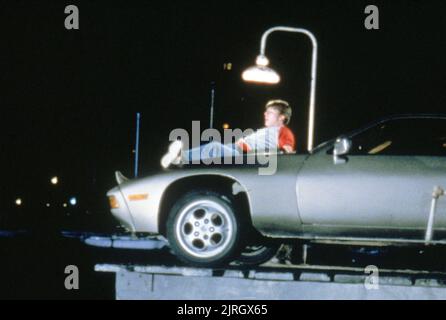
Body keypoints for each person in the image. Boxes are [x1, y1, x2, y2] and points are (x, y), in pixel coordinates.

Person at [161, 99, 296, 168]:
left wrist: (274, 156)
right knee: (214, 146)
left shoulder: (283, 131)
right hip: (238, 148)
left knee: (215, 147)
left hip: (246, 156)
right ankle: (180, 158)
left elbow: (288, 152)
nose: (265, 114)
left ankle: (182, 158)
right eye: (266, 112)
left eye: (270, 112)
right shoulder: (265, 130)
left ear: (282, 117)